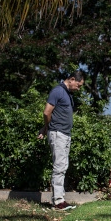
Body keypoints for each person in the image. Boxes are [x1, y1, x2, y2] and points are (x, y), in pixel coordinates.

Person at [37, 70, 85, 210]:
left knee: (63, 166)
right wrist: (47, 127)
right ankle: (57, 202)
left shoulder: (67, 94)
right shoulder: (58, 91)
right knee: (59, 167)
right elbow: (47, 112)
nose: (78, 88)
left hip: (64, 134)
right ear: (71, 79)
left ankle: (60, 200)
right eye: (78, 85)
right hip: (58, 134)